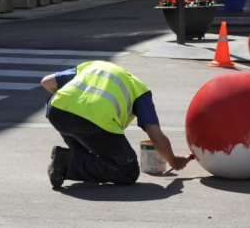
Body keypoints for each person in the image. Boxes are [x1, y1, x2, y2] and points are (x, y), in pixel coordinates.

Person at [41, 60, 192, 188]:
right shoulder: (139, 88)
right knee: (128, 171)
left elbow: (47, 82)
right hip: (96, 121)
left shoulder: (95, 66)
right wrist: (173, 161)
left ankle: (79, 158)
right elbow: (155, 135)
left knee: (75, 124)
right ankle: (67, 161)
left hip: (57, 112)